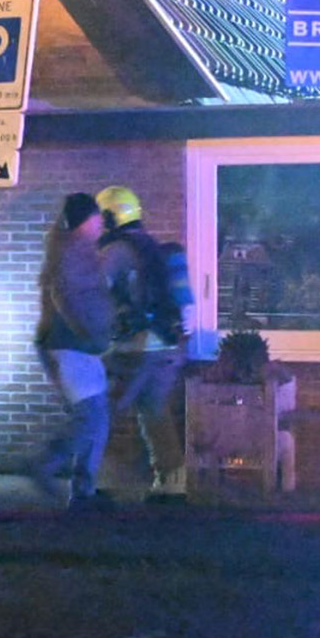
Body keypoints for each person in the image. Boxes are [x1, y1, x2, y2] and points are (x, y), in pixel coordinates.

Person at [96, 185, 190, 503]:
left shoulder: (115, 251)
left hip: (133, 349)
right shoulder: (155, 248)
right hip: (167, 347)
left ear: (110, 217)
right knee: (155, 412)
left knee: (100, 412)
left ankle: (95, 482)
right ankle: (172, 484)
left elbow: (94, 292)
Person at [26, 192, 116, 511]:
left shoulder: (77, 250)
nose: (101, 222)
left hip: (80, 347)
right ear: (86, 220)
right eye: (97, 216)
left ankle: (83, 492)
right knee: (90, 418)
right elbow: (64, 295)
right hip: (71, 347)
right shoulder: (72, 252)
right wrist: (87, 332)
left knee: (97, 417)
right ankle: (46, 465)